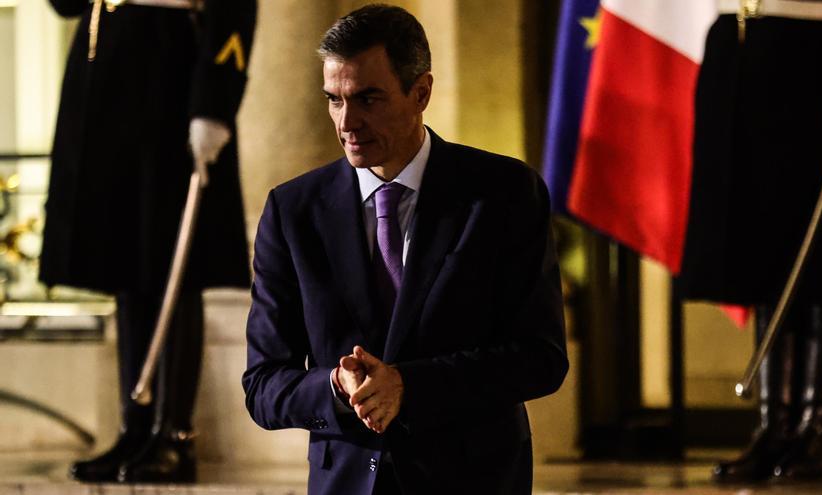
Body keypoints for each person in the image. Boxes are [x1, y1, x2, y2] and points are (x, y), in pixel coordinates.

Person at [241, 4, 568, 494]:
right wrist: (335, 387)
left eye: (368, 99)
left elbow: (540, 358)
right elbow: (263, 385)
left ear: (421, 93)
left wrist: (409, 386)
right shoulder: (293, 211)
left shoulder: (504, 193)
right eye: (334, 100)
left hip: (472, 481)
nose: (347, 122)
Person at [41, 0, 256, 483]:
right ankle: (135, 429)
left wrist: (214, 104)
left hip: (169, 76)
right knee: (125, 267)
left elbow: (235, 10)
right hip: (106, 78)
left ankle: (174, 434)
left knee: (173, 271)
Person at [680, 0, 822, 484]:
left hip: (813, 55)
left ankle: (819, 430)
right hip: (741, 49)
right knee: (763, 251)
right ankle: (776, 426)